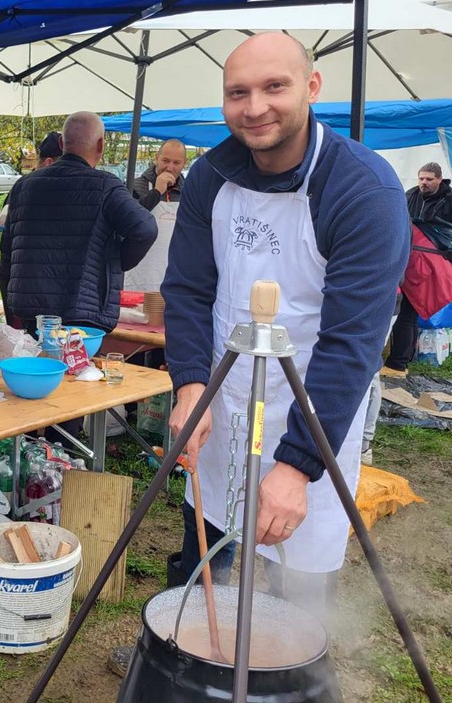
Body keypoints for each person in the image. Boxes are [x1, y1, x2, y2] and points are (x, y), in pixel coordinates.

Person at [163, 33, 410, 619]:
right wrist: (191, 385)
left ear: (312, 86)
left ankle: (292, 669)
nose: (255, 108)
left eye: (275, 86)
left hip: (317, 401)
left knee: (295, 583)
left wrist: (299, 463)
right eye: (238, 92)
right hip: (225, 397)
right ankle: (190, 655)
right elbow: (190, 290)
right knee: (207, 542)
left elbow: (351, 344)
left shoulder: (361, 189)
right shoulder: (208, 178)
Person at [0, 113, 157, 337]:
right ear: (101, 145)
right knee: (80, 372)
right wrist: (116, 261)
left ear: (62, 144)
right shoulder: (105, 186)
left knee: (40, 370)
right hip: (84, 315)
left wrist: (11, 312)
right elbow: (145, 229)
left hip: (31, 315)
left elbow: (6, 258)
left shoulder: (24, 186)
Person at [388, 163, 452, 372]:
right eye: (421, 178)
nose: (424, 182)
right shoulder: (410, 195)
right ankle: (402, 360)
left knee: (407, 314)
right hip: (408, 264)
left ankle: (398, 364)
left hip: (432, 267)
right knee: (404, 314)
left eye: (429, 179)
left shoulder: (448, 200)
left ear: (439, 180)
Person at [132, 139, 187, 210]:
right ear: (157, 158)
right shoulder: (135, 187)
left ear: (184, 163)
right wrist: (156, 192)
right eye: (165, 161)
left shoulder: (190, 191)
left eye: (176, 163)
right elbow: (129, 216)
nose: (169, 168)